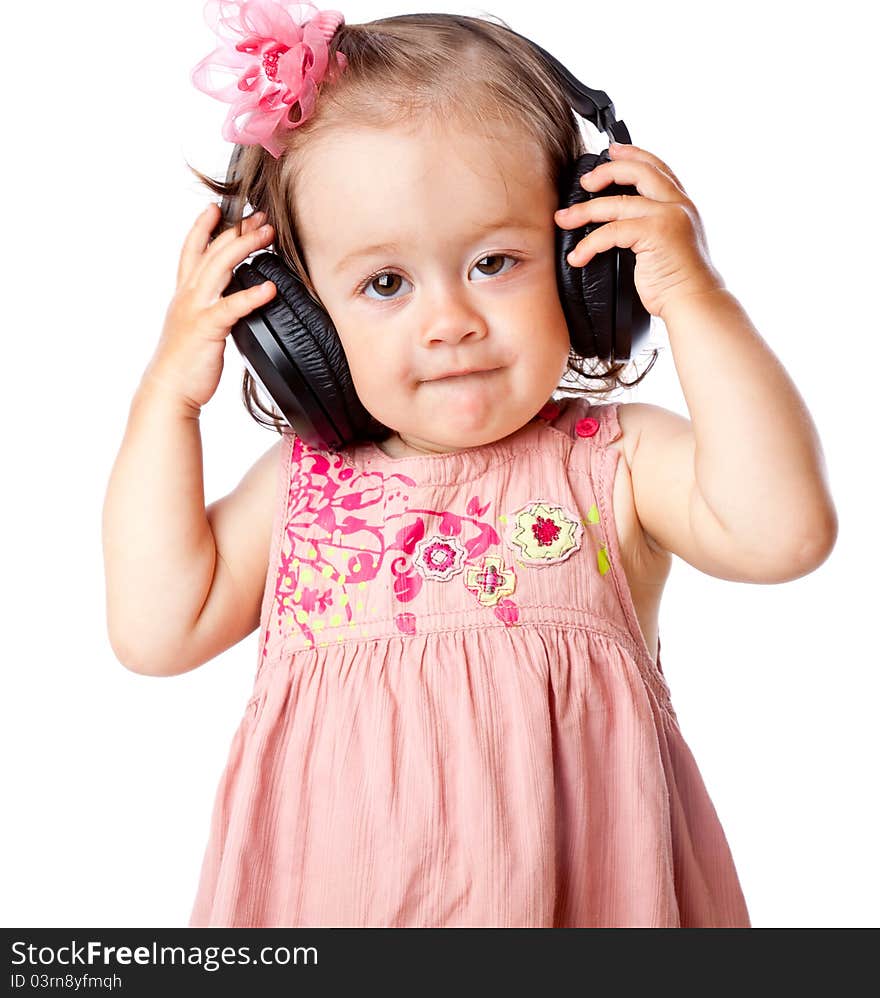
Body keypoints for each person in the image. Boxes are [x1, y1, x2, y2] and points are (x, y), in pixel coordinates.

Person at [101, 2, 838, 928]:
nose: (450, 321)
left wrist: (692, 293)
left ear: (583, 266)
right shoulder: (299, 497)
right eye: (385, 284)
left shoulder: (615, 463)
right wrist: (167, 399)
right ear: (300, 325)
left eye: (496, 261)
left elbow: (785, 533)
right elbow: (155, 631)